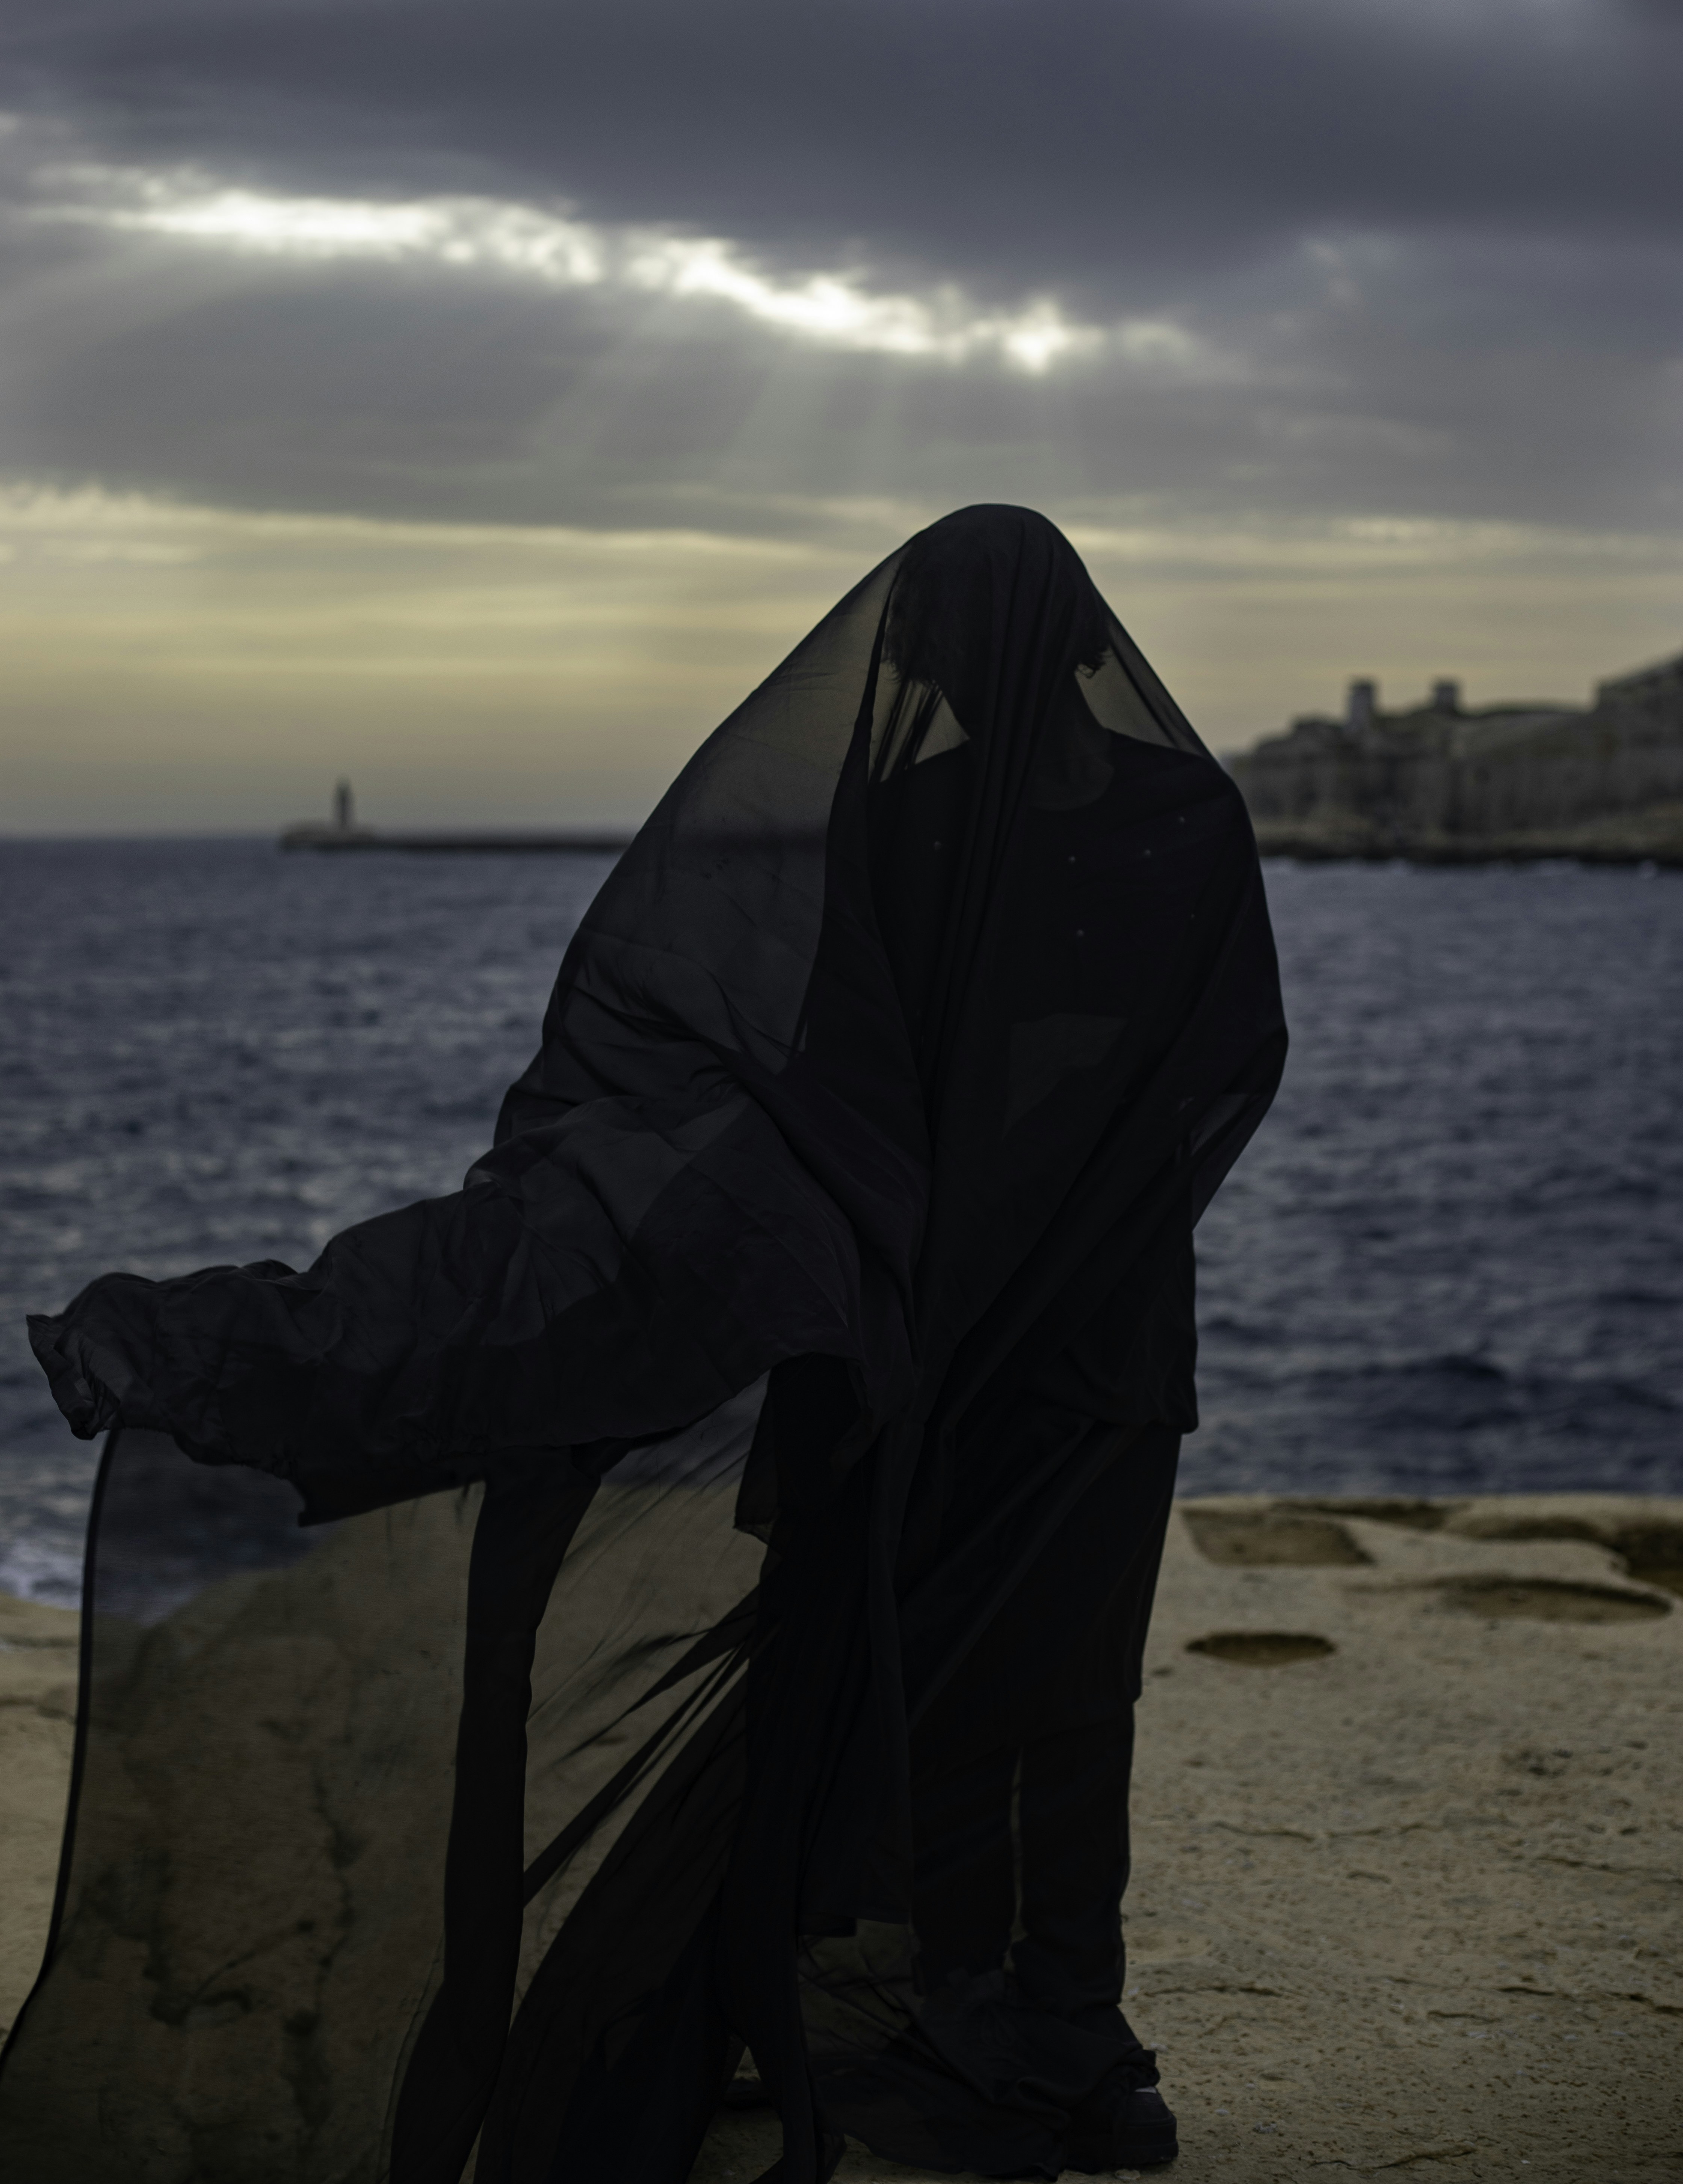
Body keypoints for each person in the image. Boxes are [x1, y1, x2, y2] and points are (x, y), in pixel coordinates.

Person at [2, 505, 1286, 2184]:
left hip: (1010, 1338)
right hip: (1046, 1333)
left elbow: (869, 1074)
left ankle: (1033, 2031)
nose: (930, 686)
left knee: (1017, 1691)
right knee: (999, 1693)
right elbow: (1183, 1071)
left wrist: (912, 1243)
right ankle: (1013, 2026)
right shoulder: (1125, 815)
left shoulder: (1017, 815)